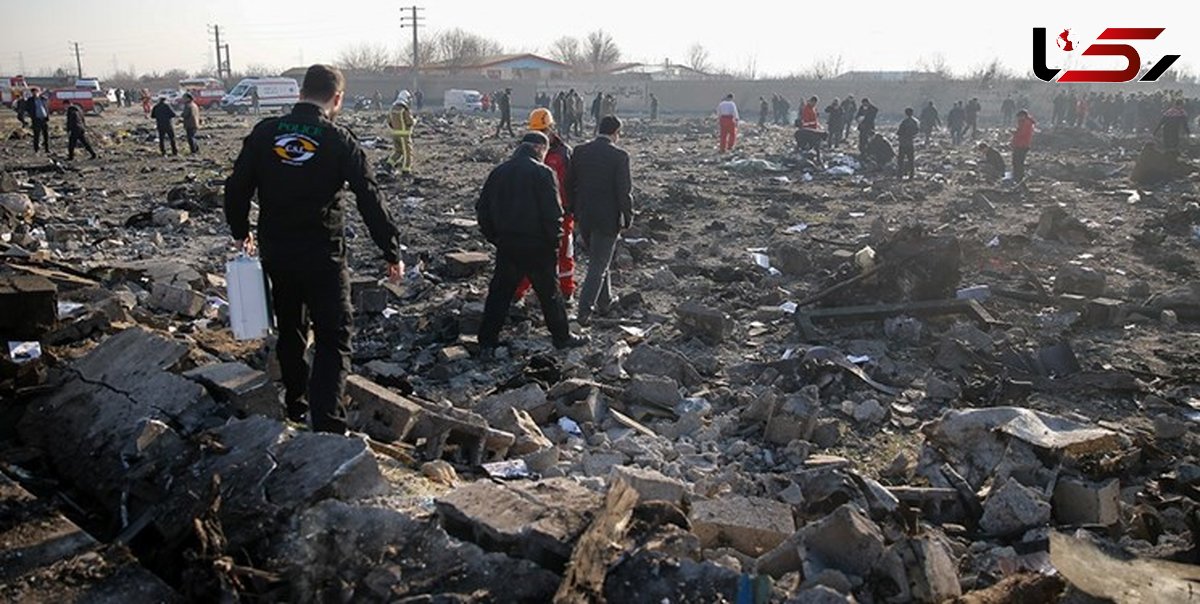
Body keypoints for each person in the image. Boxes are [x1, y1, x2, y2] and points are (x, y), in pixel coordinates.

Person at [224, 64, 403, 434]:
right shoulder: (338, 139)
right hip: (323, 255)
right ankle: (327, 424)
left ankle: (295, 404)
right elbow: (370, 197)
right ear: (337, 98)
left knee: (290, 327)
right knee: (334, 335)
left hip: (277, 251)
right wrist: (391, 250)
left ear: (301, 92)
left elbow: (236, 187)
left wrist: (241, 231)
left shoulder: (265, 132)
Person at [475, 130, 588, 353]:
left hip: (508, 244)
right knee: (550, 294)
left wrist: (495, 237)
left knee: (500, 292)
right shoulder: (543, 173)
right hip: (538, 246)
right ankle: (562, 338)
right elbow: (553, 213)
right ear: (539, 149)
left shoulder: (499, 172)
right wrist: (554, 242)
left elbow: (482, 209)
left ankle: (487, 339)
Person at [568, 115, 632, 327]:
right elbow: (624, 191)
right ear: (615, 133)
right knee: (598, 264)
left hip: (584, 215)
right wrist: (627, 217)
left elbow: (570, 184)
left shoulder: (580, 151)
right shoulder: (619, 156)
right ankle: (584, 311)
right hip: (607, 217)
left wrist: (573, 211)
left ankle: (605, 302)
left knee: (598, 259)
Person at [512, 109, 576, 304]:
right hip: (533, 213)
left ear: (551, 128)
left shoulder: (564, 153)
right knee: (528, 254)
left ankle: (566, 291)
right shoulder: (525, 152)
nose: (540, 135)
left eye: (543, 130)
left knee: (565, 253)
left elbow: (572, 182)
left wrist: (572, 208)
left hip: (561, 213)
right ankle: (518, 292)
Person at [387, 98, 416, 176]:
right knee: (407, 153)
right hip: (404, 135)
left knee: (398, 151)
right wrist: (415, 120)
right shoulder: (404, 110)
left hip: (395, 134)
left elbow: (389, 121)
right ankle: (406, 170)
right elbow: (409, 122)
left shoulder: (392, 109)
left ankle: (389, 164)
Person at [1011, 109, 1036, 181]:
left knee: (1018, 161)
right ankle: (1017, 175)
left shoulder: (1026, 123)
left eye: (1019, 117)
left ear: (1023, 116)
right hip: (1020, 144)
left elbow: (1022, 134)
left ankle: (1018, 176)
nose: (1018, 119)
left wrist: (1015, 133)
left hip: (1022, 145)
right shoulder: (1023, 122)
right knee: (1016, 161)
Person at [896, 107, 919, 178]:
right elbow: (916, 131)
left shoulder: (904, 122)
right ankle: (911, 175)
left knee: (901, 160)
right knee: (911, 160)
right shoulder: (915, 122)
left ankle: (900, 175)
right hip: (910, 142)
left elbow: (899, 132)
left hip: (903, 143)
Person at [28, 88, 50, 154]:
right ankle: (36, 149)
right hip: (36, 120)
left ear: (39, 92)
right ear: (32, 93)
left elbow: (46, 108)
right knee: (36, 135)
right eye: (34, 92)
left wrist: (47, 116)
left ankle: (47, 149)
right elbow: (28, 109)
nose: (35, 93)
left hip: (44, 119)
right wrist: (32, 116)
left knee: (46, 135)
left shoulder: (43, 99)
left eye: (37, 92)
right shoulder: (30, 100)